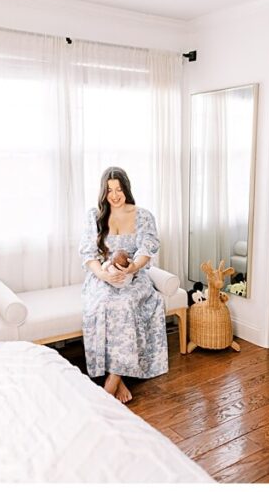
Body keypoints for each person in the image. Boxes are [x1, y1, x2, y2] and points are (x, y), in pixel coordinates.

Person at [78, 167, 168, 404]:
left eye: (118, 189)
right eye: (109, 190)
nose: (114, 195)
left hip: (133, 274)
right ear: (103, 192)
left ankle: (112, 381)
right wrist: (104, 276)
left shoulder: (143, 215)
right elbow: (88, 254)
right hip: (103, 275)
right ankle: (120, 378)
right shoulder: (95, 215)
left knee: (126, 302)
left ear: (126, 189)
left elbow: (146, 250)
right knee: (105, 302)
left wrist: (132, 268)